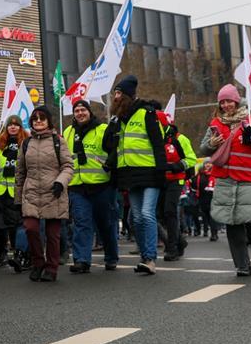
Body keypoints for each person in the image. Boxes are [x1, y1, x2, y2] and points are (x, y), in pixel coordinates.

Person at [196, 84, 251, 276]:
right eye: (222, 102)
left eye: (229, 101)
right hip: (225, 180)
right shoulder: (216, 123)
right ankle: (242, 265)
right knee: (232, 223)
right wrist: (210, 144)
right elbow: (203, 150)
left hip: (249, 180)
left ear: (236, 101)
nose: (226, 105)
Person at [103, 75, 166, 275]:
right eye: (115, 93)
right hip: (130, 175)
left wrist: (161, 172)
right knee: (137, 218)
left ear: (128, 95)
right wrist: (112, 126)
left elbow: (158, 144)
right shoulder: (119, 120)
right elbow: (108, 147)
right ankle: (145, 256)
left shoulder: (147, 113)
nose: (115, 97)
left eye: (119, 93)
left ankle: (150, 259)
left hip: (150, 173)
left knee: (146, 214)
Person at [15, 107, 74, 281]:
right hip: (31, 193)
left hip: (53, 193)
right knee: (31, 229)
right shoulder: (26, 143)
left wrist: (60, 182)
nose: (38, 121)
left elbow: (68, 166)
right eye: (35, 119)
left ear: (48, 121)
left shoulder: (58, 141)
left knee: (53, 234)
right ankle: (38, 262)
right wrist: (18, 199)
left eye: (42, 118)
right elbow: (20, 173)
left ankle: (51, 268)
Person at [63, 99, 118, 273]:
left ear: (89, 111)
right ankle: (82, 260)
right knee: (82, 223)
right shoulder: (68, 132)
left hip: (102, 185)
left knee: (106, 224)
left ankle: (111, 257)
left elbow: (114, 153)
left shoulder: (103, 129)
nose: (80, 113)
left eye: (83, 110)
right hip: (78, 187)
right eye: (77, 110)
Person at [0, 115, 24, 268]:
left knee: (16, 226)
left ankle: (18, 255)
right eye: (10, 124)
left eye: (16, 125)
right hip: (0, 191)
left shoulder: (25, 144)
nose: (13, 127)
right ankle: (0, 253)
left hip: (17, 191)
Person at [160, 116, 196, 261]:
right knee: (162, 214)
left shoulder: (180, 139)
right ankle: (180, 241)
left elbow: (191, 159)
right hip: (160, 180)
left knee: (170, 210)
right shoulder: (153, 138)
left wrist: (175, 167)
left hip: (177, 179)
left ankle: (172, 247)